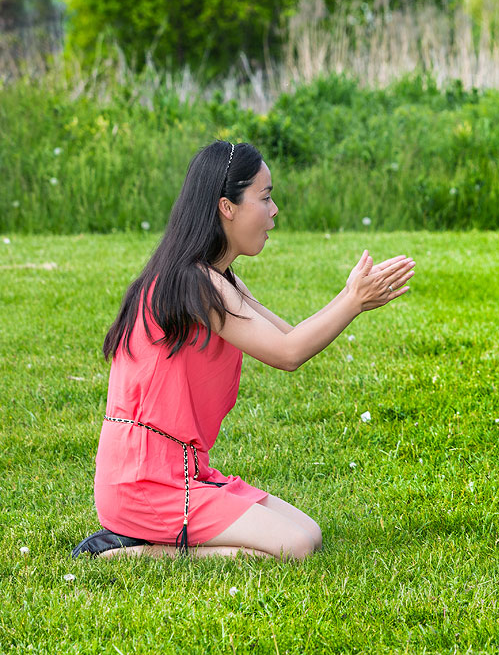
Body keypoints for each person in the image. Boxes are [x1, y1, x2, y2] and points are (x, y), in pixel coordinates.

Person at [71, 140, 415, 560]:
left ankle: (150, 539)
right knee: (296, 547)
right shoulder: (194, 283)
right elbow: (288, 353)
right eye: (265, 197)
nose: (274, 212)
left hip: (182, 472)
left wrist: (351, 297)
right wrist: (352, 301)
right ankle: (129, 550)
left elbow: (288, 337)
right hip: (145, 480)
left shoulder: (219, 279)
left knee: (310, 532)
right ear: (226, 207)